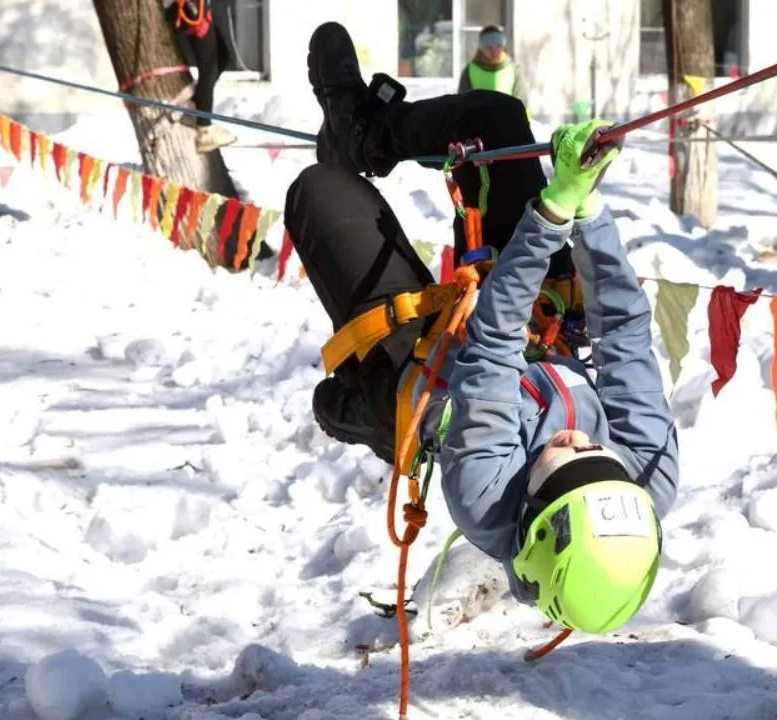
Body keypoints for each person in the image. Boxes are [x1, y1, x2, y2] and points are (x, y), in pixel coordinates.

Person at [289, 22, 679, 634]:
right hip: (540, 339)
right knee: (495, 119)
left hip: (437, 373)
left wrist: (552, 213)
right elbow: (625, 333)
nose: (578, 441)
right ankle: (361, 131)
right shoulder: (649, 472)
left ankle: (369, 406)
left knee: (320, 192)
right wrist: (589, 213)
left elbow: (494, 340)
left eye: (561, 462)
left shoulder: (485, 496)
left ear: (531, 511)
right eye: (599, 454)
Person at [162, 0, 237, 153]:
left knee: (224, 57)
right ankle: (204, 129)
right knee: (208, 68)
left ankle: (196, 106)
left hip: (196, 7)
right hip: (188, 8)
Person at [457, 25, 528, 108]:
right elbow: (462, 105)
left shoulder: (514, 71)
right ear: (481, 48)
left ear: (503, 45)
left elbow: (521, 103)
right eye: (488, 46)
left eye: (498, 45)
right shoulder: (469, 71)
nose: (494, 50)